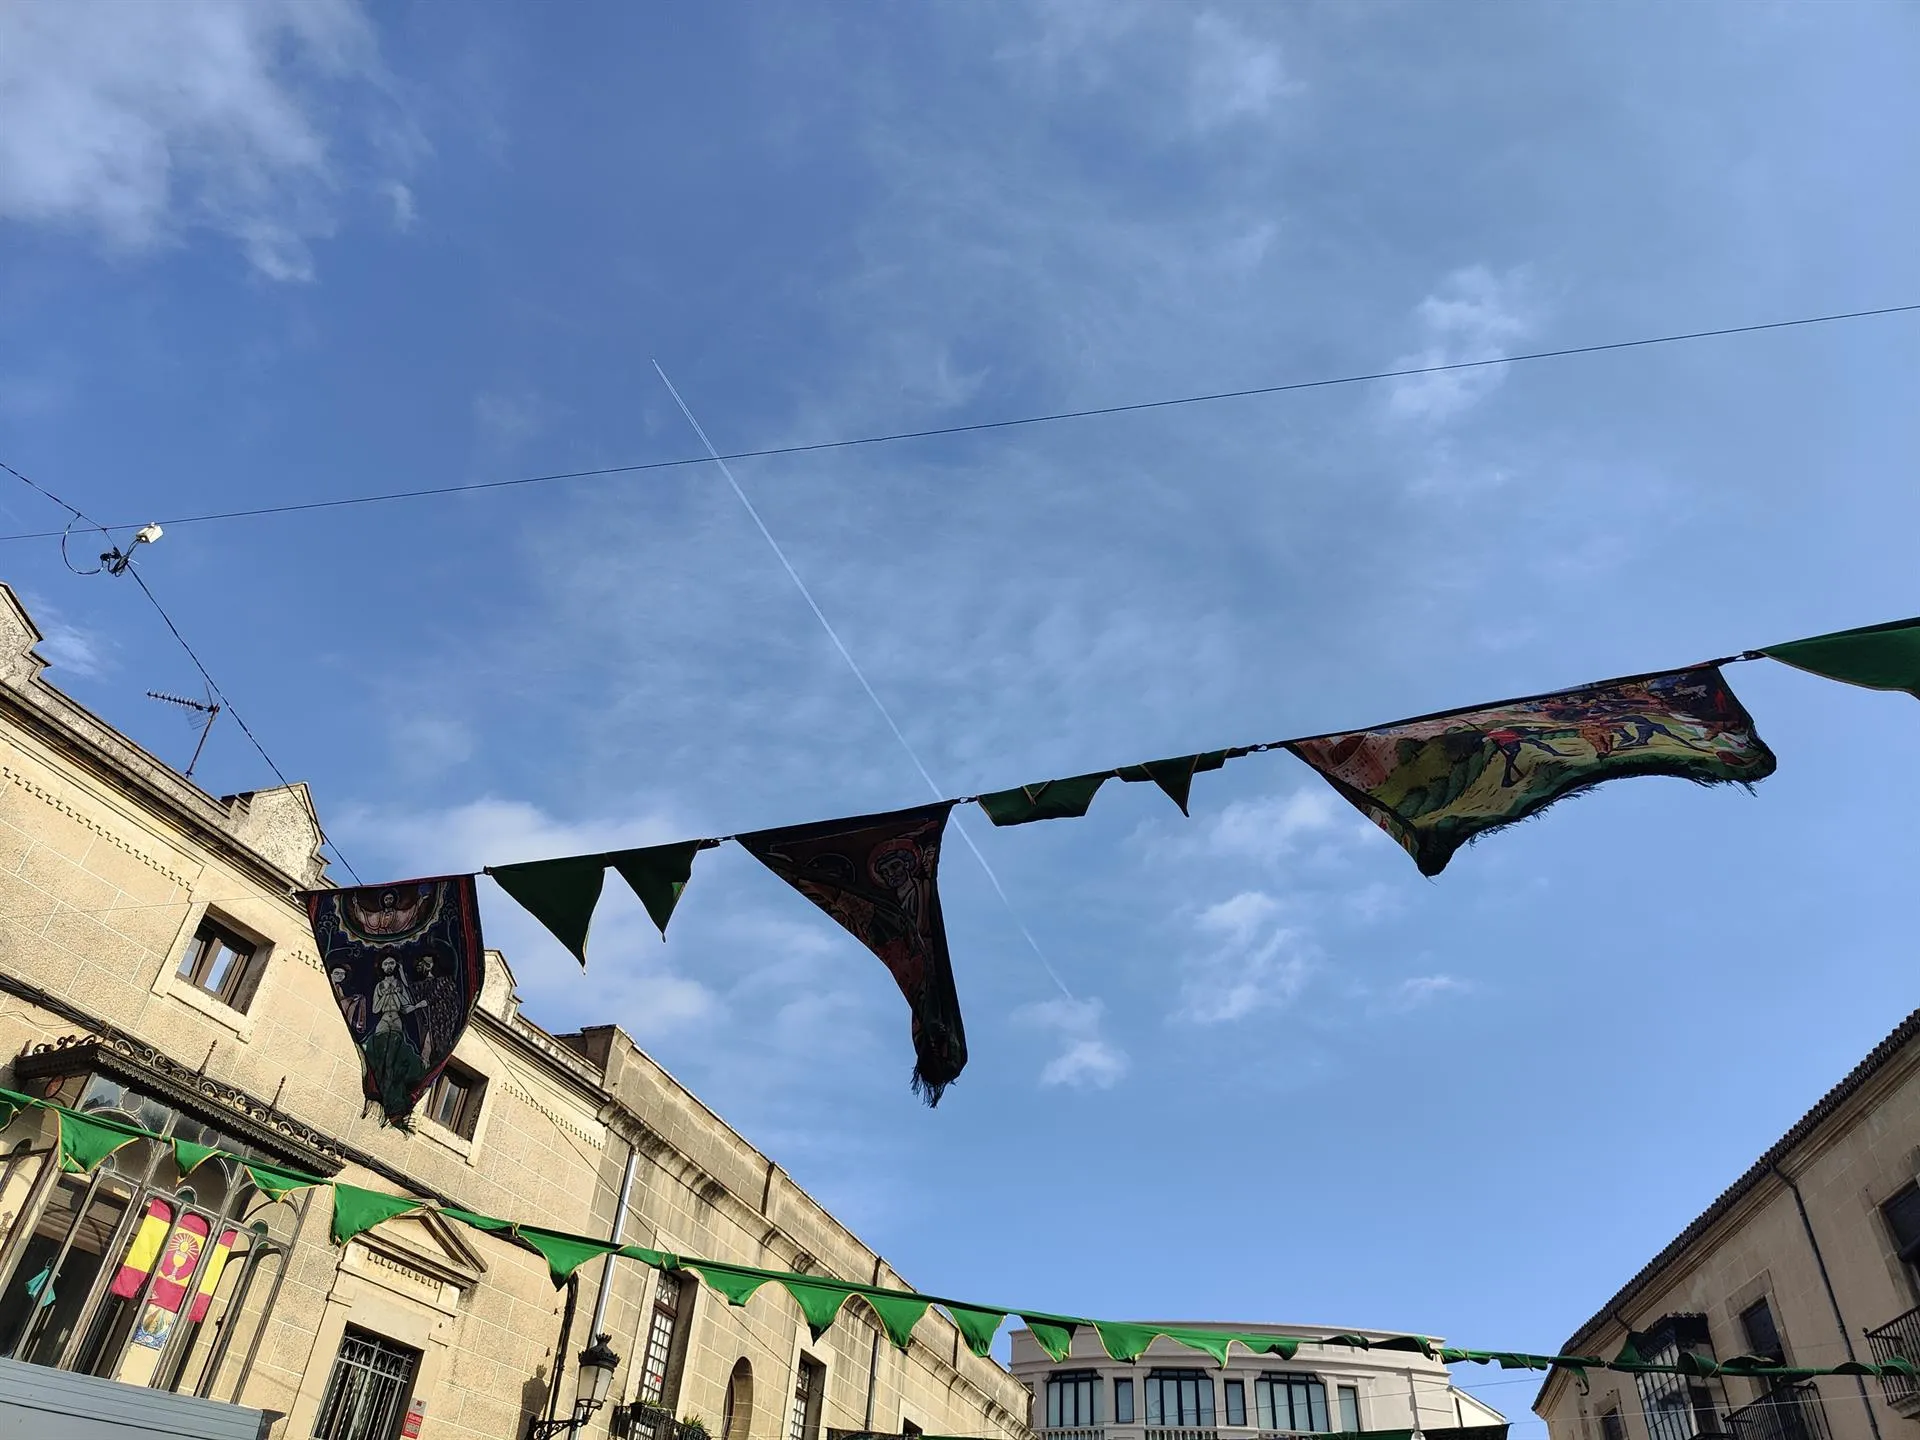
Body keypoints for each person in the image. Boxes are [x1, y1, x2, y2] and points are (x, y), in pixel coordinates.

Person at [362, 955, 428, 1118]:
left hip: (397, 1021)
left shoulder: (400, 985)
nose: (389, 966)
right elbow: (376, 1009)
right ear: (382, 967)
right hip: (384, 1019)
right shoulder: (379, 986)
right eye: (386, 963)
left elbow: (405, 1008)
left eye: (392, 963)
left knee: (393, 1055)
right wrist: (387, 995)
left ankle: (390, 1090)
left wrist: (418, 1005)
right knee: (379, 1051)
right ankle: (377, 1085)